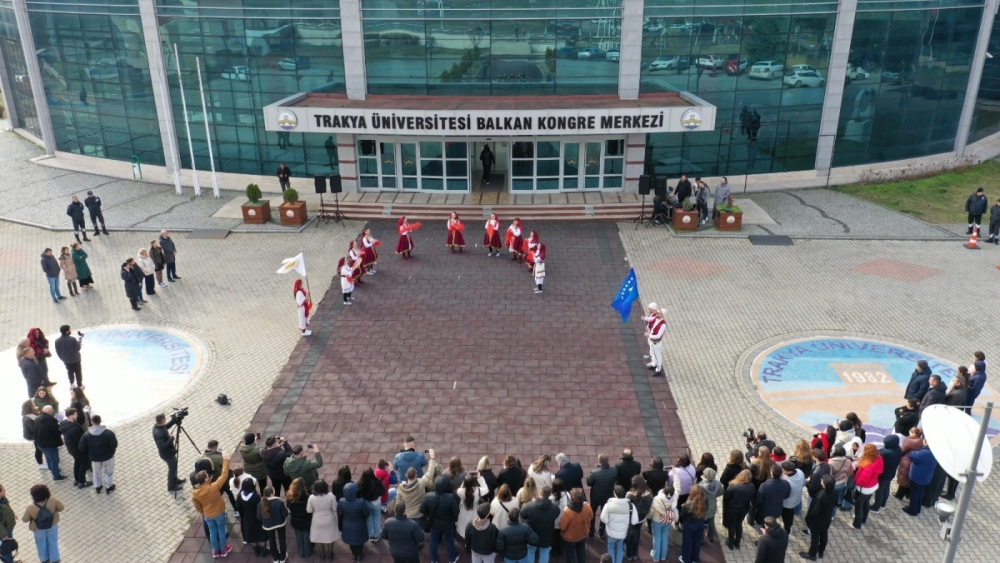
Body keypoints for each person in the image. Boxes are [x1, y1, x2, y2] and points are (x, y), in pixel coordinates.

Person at [192, 452, 233, 558]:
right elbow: (224, 475)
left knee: (212, 532)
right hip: (218, 512)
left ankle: (215, 551)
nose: (209, 476)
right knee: (221, 530)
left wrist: (203, 512)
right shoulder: (214, 487)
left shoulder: (195, 493)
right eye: (207, 476)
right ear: (206, 479)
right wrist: (226, 460)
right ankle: (224, 550)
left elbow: (197, 505)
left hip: (207, 515)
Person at [21, 484, 64, 563]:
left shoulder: (30, 506)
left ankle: (44, 560)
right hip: (52, 525)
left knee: (41, 544)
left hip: (38, 528)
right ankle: (55, 559)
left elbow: (25, 519)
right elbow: (61, 508)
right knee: (53, 542)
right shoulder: (53, 499)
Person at [422, 475, 460, 563]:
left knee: (433, 541)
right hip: (448, 524)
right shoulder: (450, 497)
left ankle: (434, 560)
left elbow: (422, 509)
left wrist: (429, 515)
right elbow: (455, 512)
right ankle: (452, 559)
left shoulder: (428, 496)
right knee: (449, 540)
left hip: (434, 524)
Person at [78, 414, 118, 494]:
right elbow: (114, 445)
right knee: (109, 472)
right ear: (100, 421)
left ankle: (98, 487)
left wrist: (89, 452)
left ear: (92, 422)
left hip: (94, 458)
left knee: (96, 472)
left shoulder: (86, 435)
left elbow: (81, 448)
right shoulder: (109, 433)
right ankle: (109, 487)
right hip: (108, 457)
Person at [522, 485, 561, 563]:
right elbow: (556, 515)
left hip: (532, 535)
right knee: (544, 553)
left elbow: (523, 514)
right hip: (547, 536)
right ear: (550, 495)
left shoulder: (530, 505)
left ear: (540, 493)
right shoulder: (555, 508)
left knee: (531, 552)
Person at [397, 456, 439, 528]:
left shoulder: (400, 488)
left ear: (406, 475)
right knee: (418, 531)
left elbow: (398, 502)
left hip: (408, 515)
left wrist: (398, 515)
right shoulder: (421, 482)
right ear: (416, 475)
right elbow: (430, 473)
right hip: (420, 514)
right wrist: (432, 458)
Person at [586, 453, 617, 538]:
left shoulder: (594, 472)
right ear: (608, 460)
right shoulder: (614, 470)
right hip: (607, 497)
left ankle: (591, 532)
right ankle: (601, 531)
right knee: (604, 514)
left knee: (592, 514)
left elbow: (589, 483)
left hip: (595, 497)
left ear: (599, 461)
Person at [59, 408, 91, 489]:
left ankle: (77, 479)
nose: (77, 416)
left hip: (71, 449)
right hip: (78, 450)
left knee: (77, 462)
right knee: (83, 464)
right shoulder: (74, 428)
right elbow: (80, 441)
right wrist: (85, 449)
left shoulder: (64, 424)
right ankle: (82, 482)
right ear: (71, 415)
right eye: (75, 414)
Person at [902, 439, 935, 516]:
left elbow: (912, 456)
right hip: (926, 477)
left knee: (914, 493)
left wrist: (914, 452)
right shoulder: (933, 453)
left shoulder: (924, 453)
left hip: (917, 476)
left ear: (926, 442)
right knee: (920, 493)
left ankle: (912, 510)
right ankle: (917, 508)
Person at [153, 413, 186, 492]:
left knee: (174, 467)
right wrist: (171, 438)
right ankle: (171, 486)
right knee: (171, 469)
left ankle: (175, 480)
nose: (166, 419)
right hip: (167, 454)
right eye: (165, 418)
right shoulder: (158, 433)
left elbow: (165, 427)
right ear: (163, 420)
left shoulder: (158, 426)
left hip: (169, 452)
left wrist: (173, 421)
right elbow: (162, 446)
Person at [237, 478, 269, 557]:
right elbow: (259, 507)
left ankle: (256, 551)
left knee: (251, 535)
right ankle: (263, 551)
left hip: (247, 518)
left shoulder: (240, 495)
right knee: (261, 535)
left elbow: (238, 506)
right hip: (256, 518)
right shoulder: (256, 496)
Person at [309, 480, 340, 561]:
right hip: (329, 519)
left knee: (319, 538)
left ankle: (322, 555)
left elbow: (309, 510)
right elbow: (334, 508)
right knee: (330, 537)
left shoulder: (311, 497)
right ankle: (330, 554)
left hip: (317, 520)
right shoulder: (331, 496)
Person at [559, 488, 593, 563]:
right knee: (581, 551)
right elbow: (591, 517)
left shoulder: (568, 511)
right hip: (583, 534)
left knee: (570, 555)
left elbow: (562, 526)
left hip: (570, 538)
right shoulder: (587, 506)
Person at [722, 469, 753, 550]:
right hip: (743, 509)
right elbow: (753, 497)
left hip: (732, 508)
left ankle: (730, 542)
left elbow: (726, 497)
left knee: (732, 525)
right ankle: (737, 542)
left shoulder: (732, 486)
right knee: (739, 524)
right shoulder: (751, 486)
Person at [339, 482, 370, 562]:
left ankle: (353, 554)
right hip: (359, 525)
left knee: (351, 542)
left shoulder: (341, 501)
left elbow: (340, 513)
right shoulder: (361, 502)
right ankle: (359, 555)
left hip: (347, 525)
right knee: (359, 542)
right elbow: (366, 513)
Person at [622, 477, 651, 560]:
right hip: (641, 519)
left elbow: (626, 506)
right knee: (637, 534)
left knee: (630, 536)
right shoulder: (649, 493)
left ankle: (629, 555)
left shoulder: (630, 495)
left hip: (632, 519)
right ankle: (635, 554)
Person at [456, 473, 489, 545]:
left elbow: (461, 488)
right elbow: (486, 489)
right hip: (475, 513)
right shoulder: (478, 491)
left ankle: (466, 540)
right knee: (474, 526)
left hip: (464, 512)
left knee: (464, 526)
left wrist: (465, 481)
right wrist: (480, 478)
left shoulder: (460, 491)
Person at [259, 485, 289, 562]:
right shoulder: (279, 502)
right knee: (282, 540)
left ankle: (275, 558)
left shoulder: (261, 503)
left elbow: (258, 517)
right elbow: (285, 514)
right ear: (272, 493)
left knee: (271, 541)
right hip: (280, 524)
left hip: (268, 526)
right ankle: (283, 557)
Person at [35, 406, 65, 481]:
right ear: (51, 412)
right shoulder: (51, 422)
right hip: (49, 445)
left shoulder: (38, 418)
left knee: (48, 457)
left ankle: (52, 469)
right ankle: (56, 476)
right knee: (54, 460)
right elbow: (58, 432)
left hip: (40, 444)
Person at [754, 465, 790, 530]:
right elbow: (786, 496)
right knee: (771, 523)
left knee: (763, 524)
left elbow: (759, 499)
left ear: (771, 473)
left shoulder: (764, 485)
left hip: (764, 511)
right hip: (777, 510)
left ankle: (765, 532)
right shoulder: (786, 483)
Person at [678, 484, 707, 563]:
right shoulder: (705, 500)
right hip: (700, 523)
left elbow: (682, 515)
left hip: (690, 525)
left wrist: (683, 507)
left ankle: (686, 559)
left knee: (688, 542)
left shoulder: (688, 504)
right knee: (697, 542)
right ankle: (695, 559)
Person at [287, 477, 313, 558]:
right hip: (306, 520)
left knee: (298, 536)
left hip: (295, 520)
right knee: (306, 536)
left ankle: (301, 552)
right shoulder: (307, 496)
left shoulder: (289, 496)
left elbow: (288, 507)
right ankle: (307, 552)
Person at [358, 467, 386, 542]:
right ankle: (376, 535)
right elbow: (383, 491)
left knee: (369, 518)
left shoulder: (360, 483)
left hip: (366, 502)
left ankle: (371, 535)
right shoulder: (377, 482)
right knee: (376, 518)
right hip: (376, 502)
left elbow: (358, 493)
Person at [699, 468, 722, 544]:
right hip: (712, 506)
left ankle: (701, 539)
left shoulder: (701, 485)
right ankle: (711, 537)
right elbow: (721, 492)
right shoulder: (718, 484)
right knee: (711, 521)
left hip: (703, 506)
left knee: (701, 522)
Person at [23, 400, 46, 470]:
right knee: (38, 449)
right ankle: (40, 464)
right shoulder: (28, 419)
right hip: (33, 436)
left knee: (39, 448)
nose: (34, 404)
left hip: (36, 434)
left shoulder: (33, 413)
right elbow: (33, 429)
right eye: (33, 403)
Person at [0, 485, 16, 563]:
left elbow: (7, 507)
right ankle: (9, 561)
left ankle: (10, 560)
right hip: (4, 530)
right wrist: (4, 535)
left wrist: (12, 514)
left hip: (7, 527)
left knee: (8, 545)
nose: (5, 491)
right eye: (3, 490)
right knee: (6, 547)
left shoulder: (2, 499)